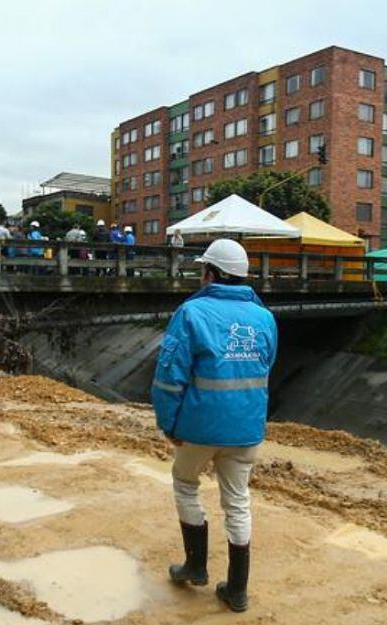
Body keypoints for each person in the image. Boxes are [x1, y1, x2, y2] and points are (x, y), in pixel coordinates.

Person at [152, 238, 277, 613]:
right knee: (238, 502)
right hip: (246, 429)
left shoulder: (192, 313)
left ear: (212, 273)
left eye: (201, 269)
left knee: (185, 484)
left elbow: (168, 377)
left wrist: (168, 423)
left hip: (199, 429)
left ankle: (195, 565)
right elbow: (264, 366)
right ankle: (237, 590)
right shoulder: (265, 317)